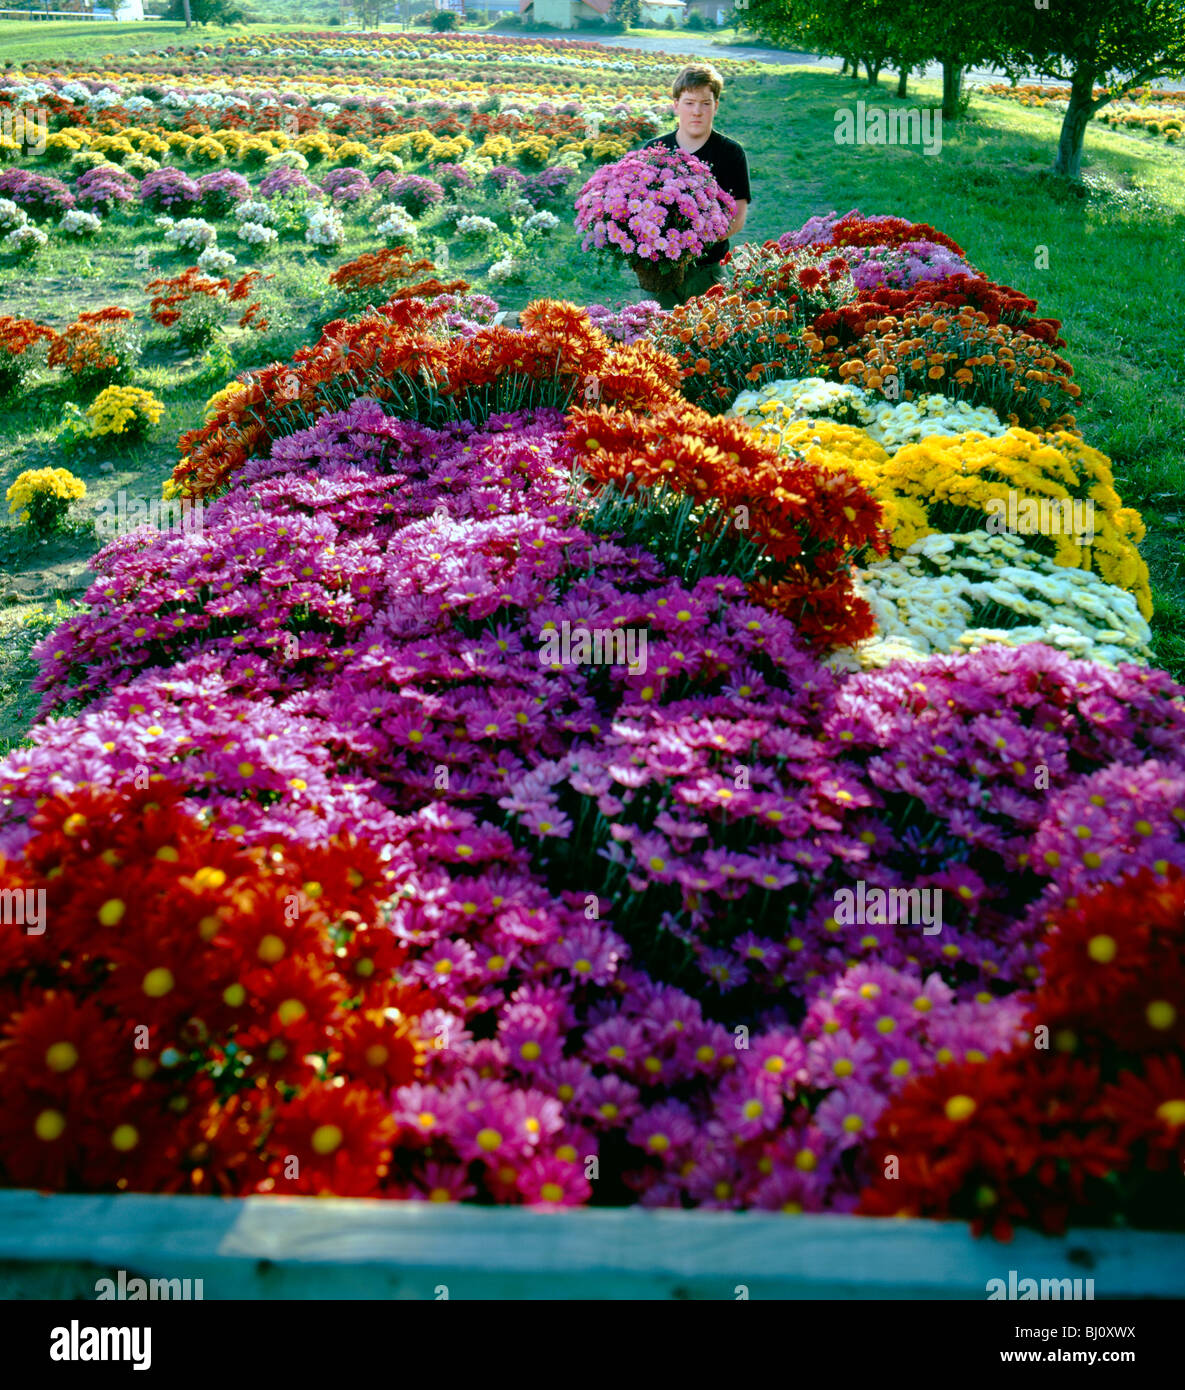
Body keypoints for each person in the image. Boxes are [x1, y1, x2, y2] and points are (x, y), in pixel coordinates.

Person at [641, 63, 751, 310]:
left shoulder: (731, 153)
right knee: (656, 341)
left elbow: (738, 217)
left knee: (707, 342)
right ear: (676, 105)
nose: (697, 112)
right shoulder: (653, 150)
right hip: (659, 272)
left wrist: (691, 245)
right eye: (689, 103)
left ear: (716, 106)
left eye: (705, 103)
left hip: (708, 271)